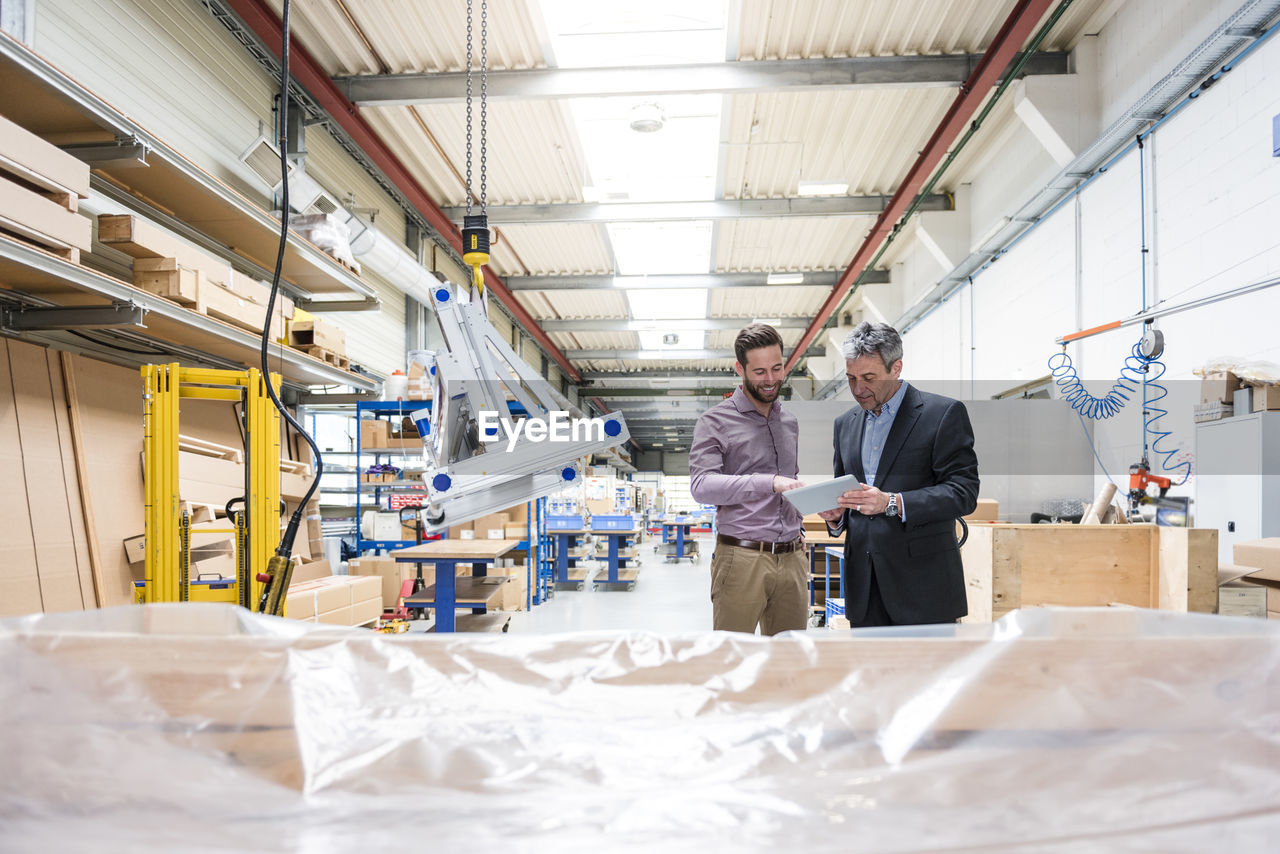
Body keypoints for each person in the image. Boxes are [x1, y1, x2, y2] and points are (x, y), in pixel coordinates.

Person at [817, 322, 979, 626]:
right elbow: (848, 492)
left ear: (896, 368)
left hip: (924, 588)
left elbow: (963, 492)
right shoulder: (845, 424)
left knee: (927, 674)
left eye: (868, 378)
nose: (858, 389)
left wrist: (892, 502)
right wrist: (837, 514)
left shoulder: (942, 414)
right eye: (851, 378)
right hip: (864, 588)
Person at [690, 323, 808, 635]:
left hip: (793, 557)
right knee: (733, 660)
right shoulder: (715, 421)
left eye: (777, 368)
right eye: (759, 372)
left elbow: (790, 482)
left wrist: (802, 526)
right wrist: (767, 482)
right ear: (739, 369)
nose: (770, 380)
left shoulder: (790, 422)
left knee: (789, 663)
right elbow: (702, 486)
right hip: (742, 558)